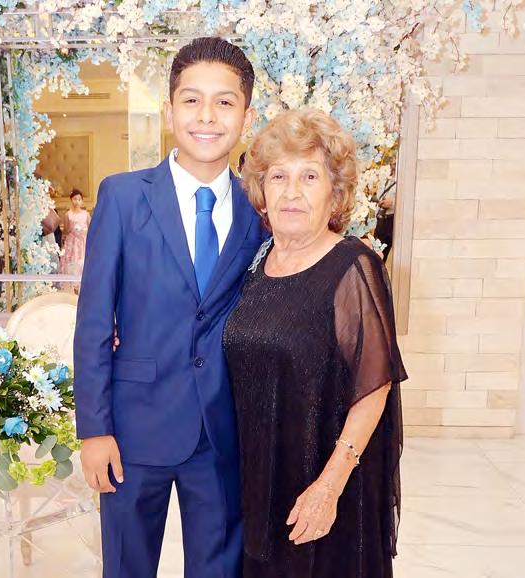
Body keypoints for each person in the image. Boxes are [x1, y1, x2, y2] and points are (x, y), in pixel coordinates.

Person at [73, 37, 264, 578]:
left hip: (223, 432)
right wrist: (94, 429)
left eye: (224, 102)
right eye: (191, 100)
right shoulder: (122, 197)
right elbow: (93, 322)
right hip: (133, 428)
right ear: (169, 109)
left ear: (247, 117)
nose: (207, 116)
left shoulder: (259, 212)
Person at [223, 108, 407, 578]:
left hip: (324, 481)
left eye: (309, 176)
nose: (291, 191)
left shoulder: (353, 266)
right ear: (261, 191)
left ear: (335, 192)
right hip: (260, 479)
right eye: (278, 176)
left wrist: (330, 485)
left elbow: (375, 387)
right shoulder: (255, 262)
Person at [58, 188, 90, 289]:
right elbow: (65, 231)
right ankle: (74, 286)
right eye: (75, 199)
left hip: (83, 242)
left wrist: (83, 231)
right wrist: (72, 228)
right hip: (72, 242)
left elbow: (91, 229)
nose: (77, 201)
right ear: (71, 200)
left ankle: (84, 284)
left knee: (83, 262)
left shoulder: (86, 214)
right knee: (73, 262)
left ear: (82, 201)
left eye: (79, 199)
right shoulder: (68, 214)